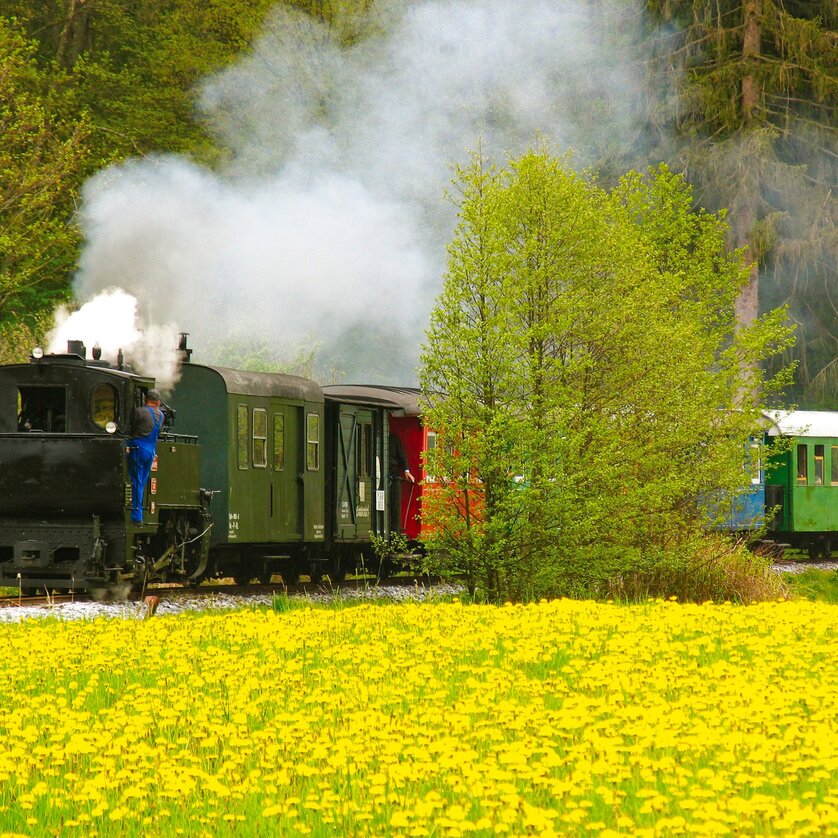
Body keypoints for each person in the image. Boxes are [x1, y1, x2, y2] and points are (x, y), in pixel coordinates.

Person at [128, 388, 164, 524]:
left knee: (136, 481)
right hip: (151, 451)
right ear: (158, 402)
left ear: (145, 399)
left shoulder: (139, 412)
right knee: (142, 482)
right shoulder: (161, 415)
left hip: (138, 448)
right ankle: (138, 513)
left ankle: (137, 515)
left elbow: (129, 428)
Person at [388, 432, 415, 533]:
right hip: (380, 474)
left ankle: (395, 531)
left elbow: (402, 455)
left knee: (394, 504)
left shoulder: (394, 439)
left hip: (393, 474)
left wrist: (406, 471)